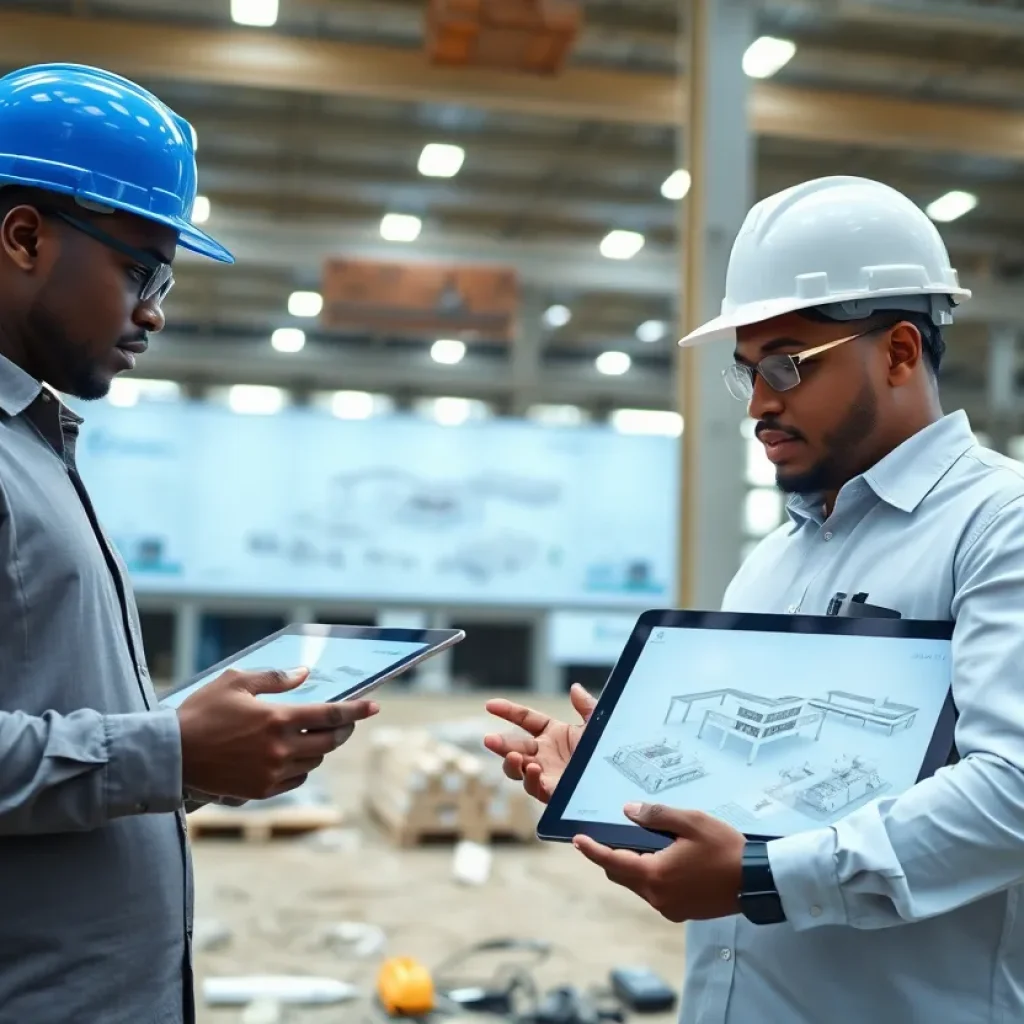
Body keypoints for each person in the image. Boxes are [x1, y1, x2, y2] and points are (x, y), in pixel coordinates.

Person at [485, 175, 1024, 1022]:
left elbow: (1013, 791)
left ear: (900, 351)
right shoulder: (774, 559)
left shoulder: (1000, 526)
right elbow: (762, 790)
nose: (762, 404)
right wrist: (623, 775)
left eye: (787, 365)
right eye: (748, 374)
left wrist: (764, 878)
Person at [0, 64, 378, 1024]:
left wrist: (199, 757)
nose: (155, 310)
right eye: (140, 269)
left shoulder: (35, 445)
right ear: (25, 236)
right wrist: (162, 753)